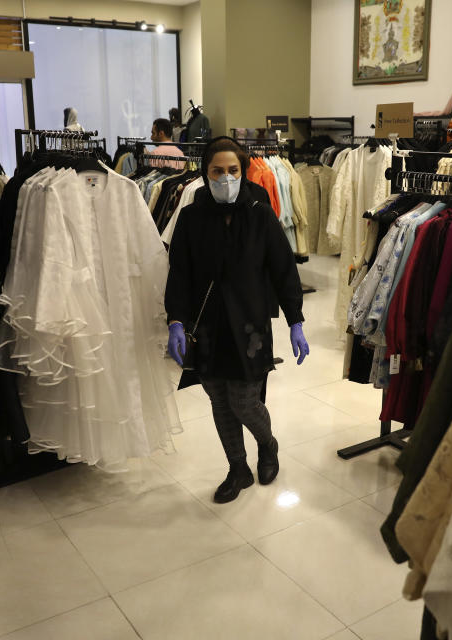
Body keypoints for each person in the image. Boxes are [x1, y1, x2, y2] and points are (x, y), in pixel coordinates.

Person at [165, 136, 309, 504]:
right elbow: (179, 272)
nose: (225, 177)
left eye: (232, 170)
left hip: (249, 326)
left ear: (243, 172)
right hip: (208, 327)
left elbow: (283, 269)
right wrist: (176, 321)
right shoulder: (192, 216)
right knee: (218, 399)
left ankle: (268, 444)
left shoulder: (260, 213)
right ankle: (237, 468)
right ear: (205, 173)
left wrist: (295, 320)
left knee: (244, 401)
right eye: (217, 171)